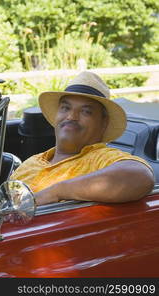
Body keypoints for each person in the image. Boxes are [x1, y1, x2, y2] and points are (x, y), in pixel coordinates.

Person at [10, 71, 155, 206]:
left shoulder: (101, 158)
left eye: (86, 112)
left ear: (103, 123)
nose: (71, 116)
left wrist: (56, 191)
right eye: (65, 108)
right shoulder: (31, 162)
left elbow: (140, 176)